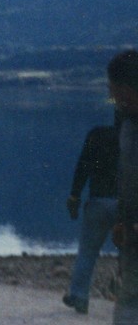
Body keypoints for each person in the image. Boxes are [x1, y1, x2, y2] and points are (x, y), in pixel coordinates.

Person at [62, 115, 119, 314]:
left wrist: (74, 196)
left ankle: (79, 296)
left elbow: (82, 167)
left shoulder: (97, 135)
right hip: (129, 205)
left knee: (87, 252)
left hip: (99, 201)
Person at [108, 49, 138, 324]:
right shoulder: (126, 123)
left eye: (114, 91)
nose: (112, 98)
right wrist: (122, 219)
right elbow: (127, 177)